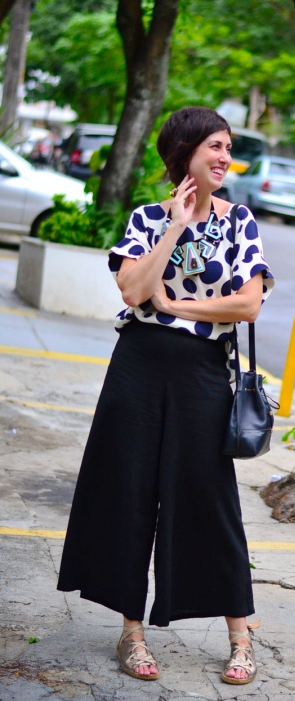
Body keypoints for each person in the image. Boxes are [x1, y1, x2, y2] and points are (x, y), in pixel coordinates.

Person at [57, 106, 274, 685]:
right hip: (138, 369)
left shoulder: (240, 222)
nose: (225, 157)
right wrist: (175, 226)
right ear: (184, 154)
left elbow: (248, 304)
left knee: (210, 499)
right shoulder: (147, 218)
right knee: (129, 493)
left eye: (227, 148)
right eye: (215, 147)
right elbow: (132, 292)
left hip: (203, 371)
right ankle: (131, 634)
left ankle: (240, 636)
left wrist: (177, 307)